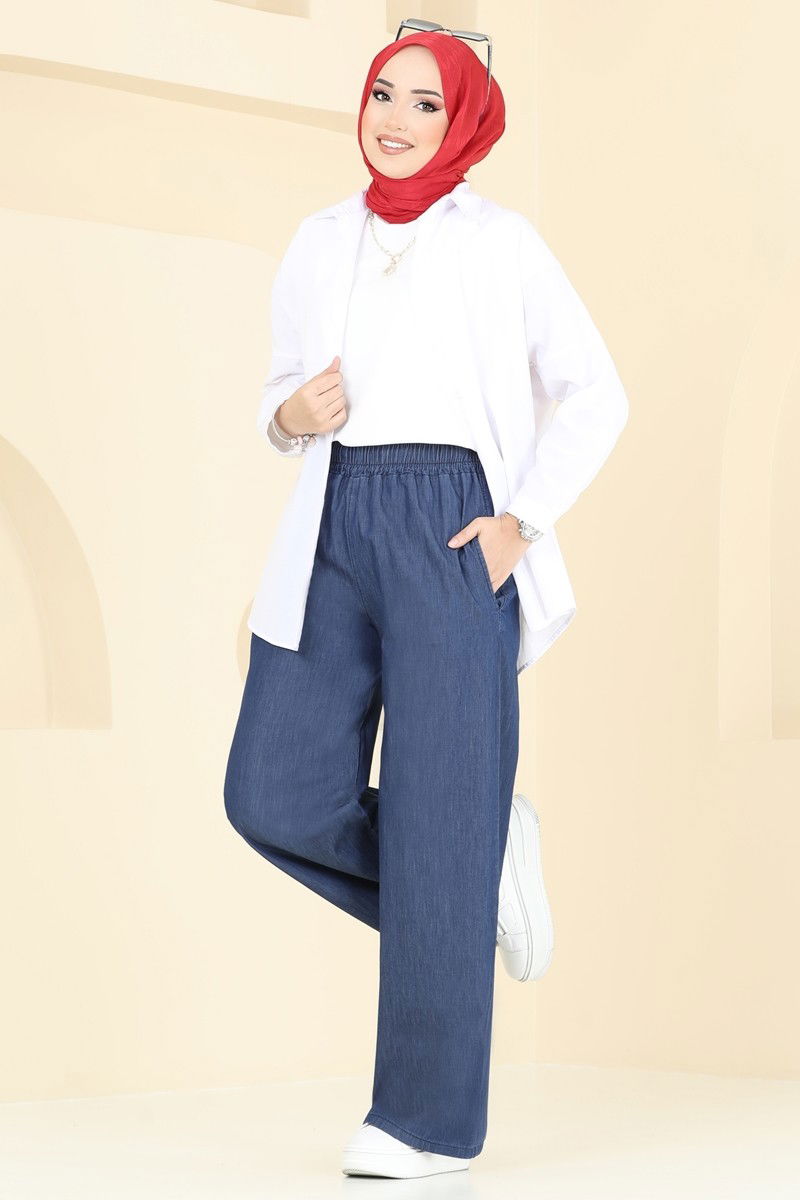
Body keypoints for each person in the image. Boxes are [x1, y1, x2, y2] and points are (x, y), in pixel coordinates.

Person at [224, 24, 628, 1181]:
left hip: (453, 526)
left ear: (464, 125)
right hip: (334, 520)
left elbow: (593, 393)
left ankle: (424, 1123)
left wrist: (520, 521)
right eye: (382, 95)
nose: (394, 120)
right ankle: (473, 870)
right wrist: (288, 415)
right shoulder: (318, 240)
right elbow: (281, 395)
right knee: (271, 794)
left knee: (439, 811)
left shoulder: (501, 244)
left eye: (424, 104)